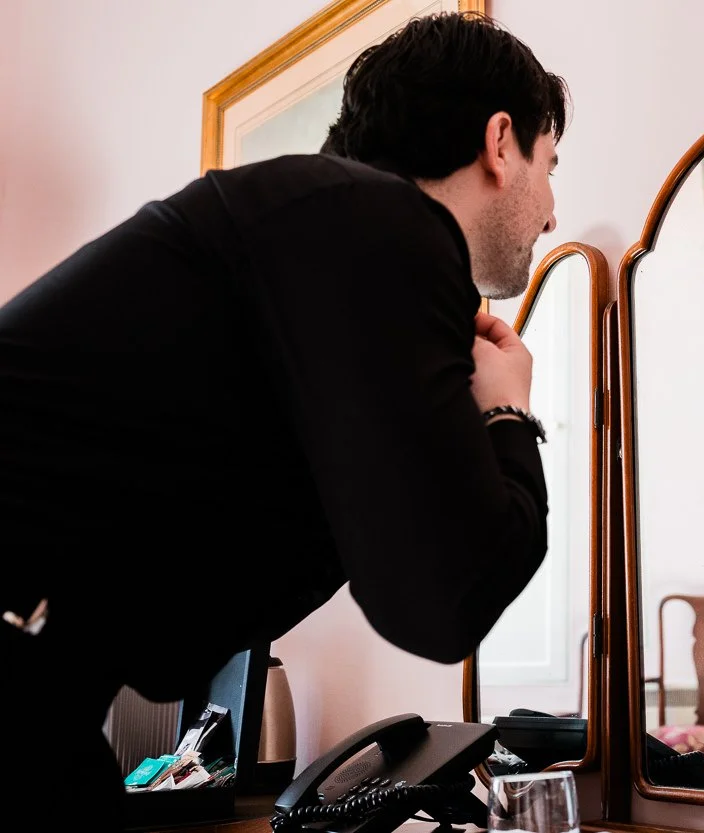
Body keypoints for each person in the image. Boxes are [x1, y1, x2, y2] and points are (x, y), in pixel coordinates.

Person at [0, 12, 566, 826]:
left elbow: (178, 642)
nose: (551, 214)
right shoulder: (387, 228)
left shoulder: (310, 224)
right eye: (552, 166)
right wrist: (507, 407)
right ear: (500, 142)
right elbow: (444, 601)